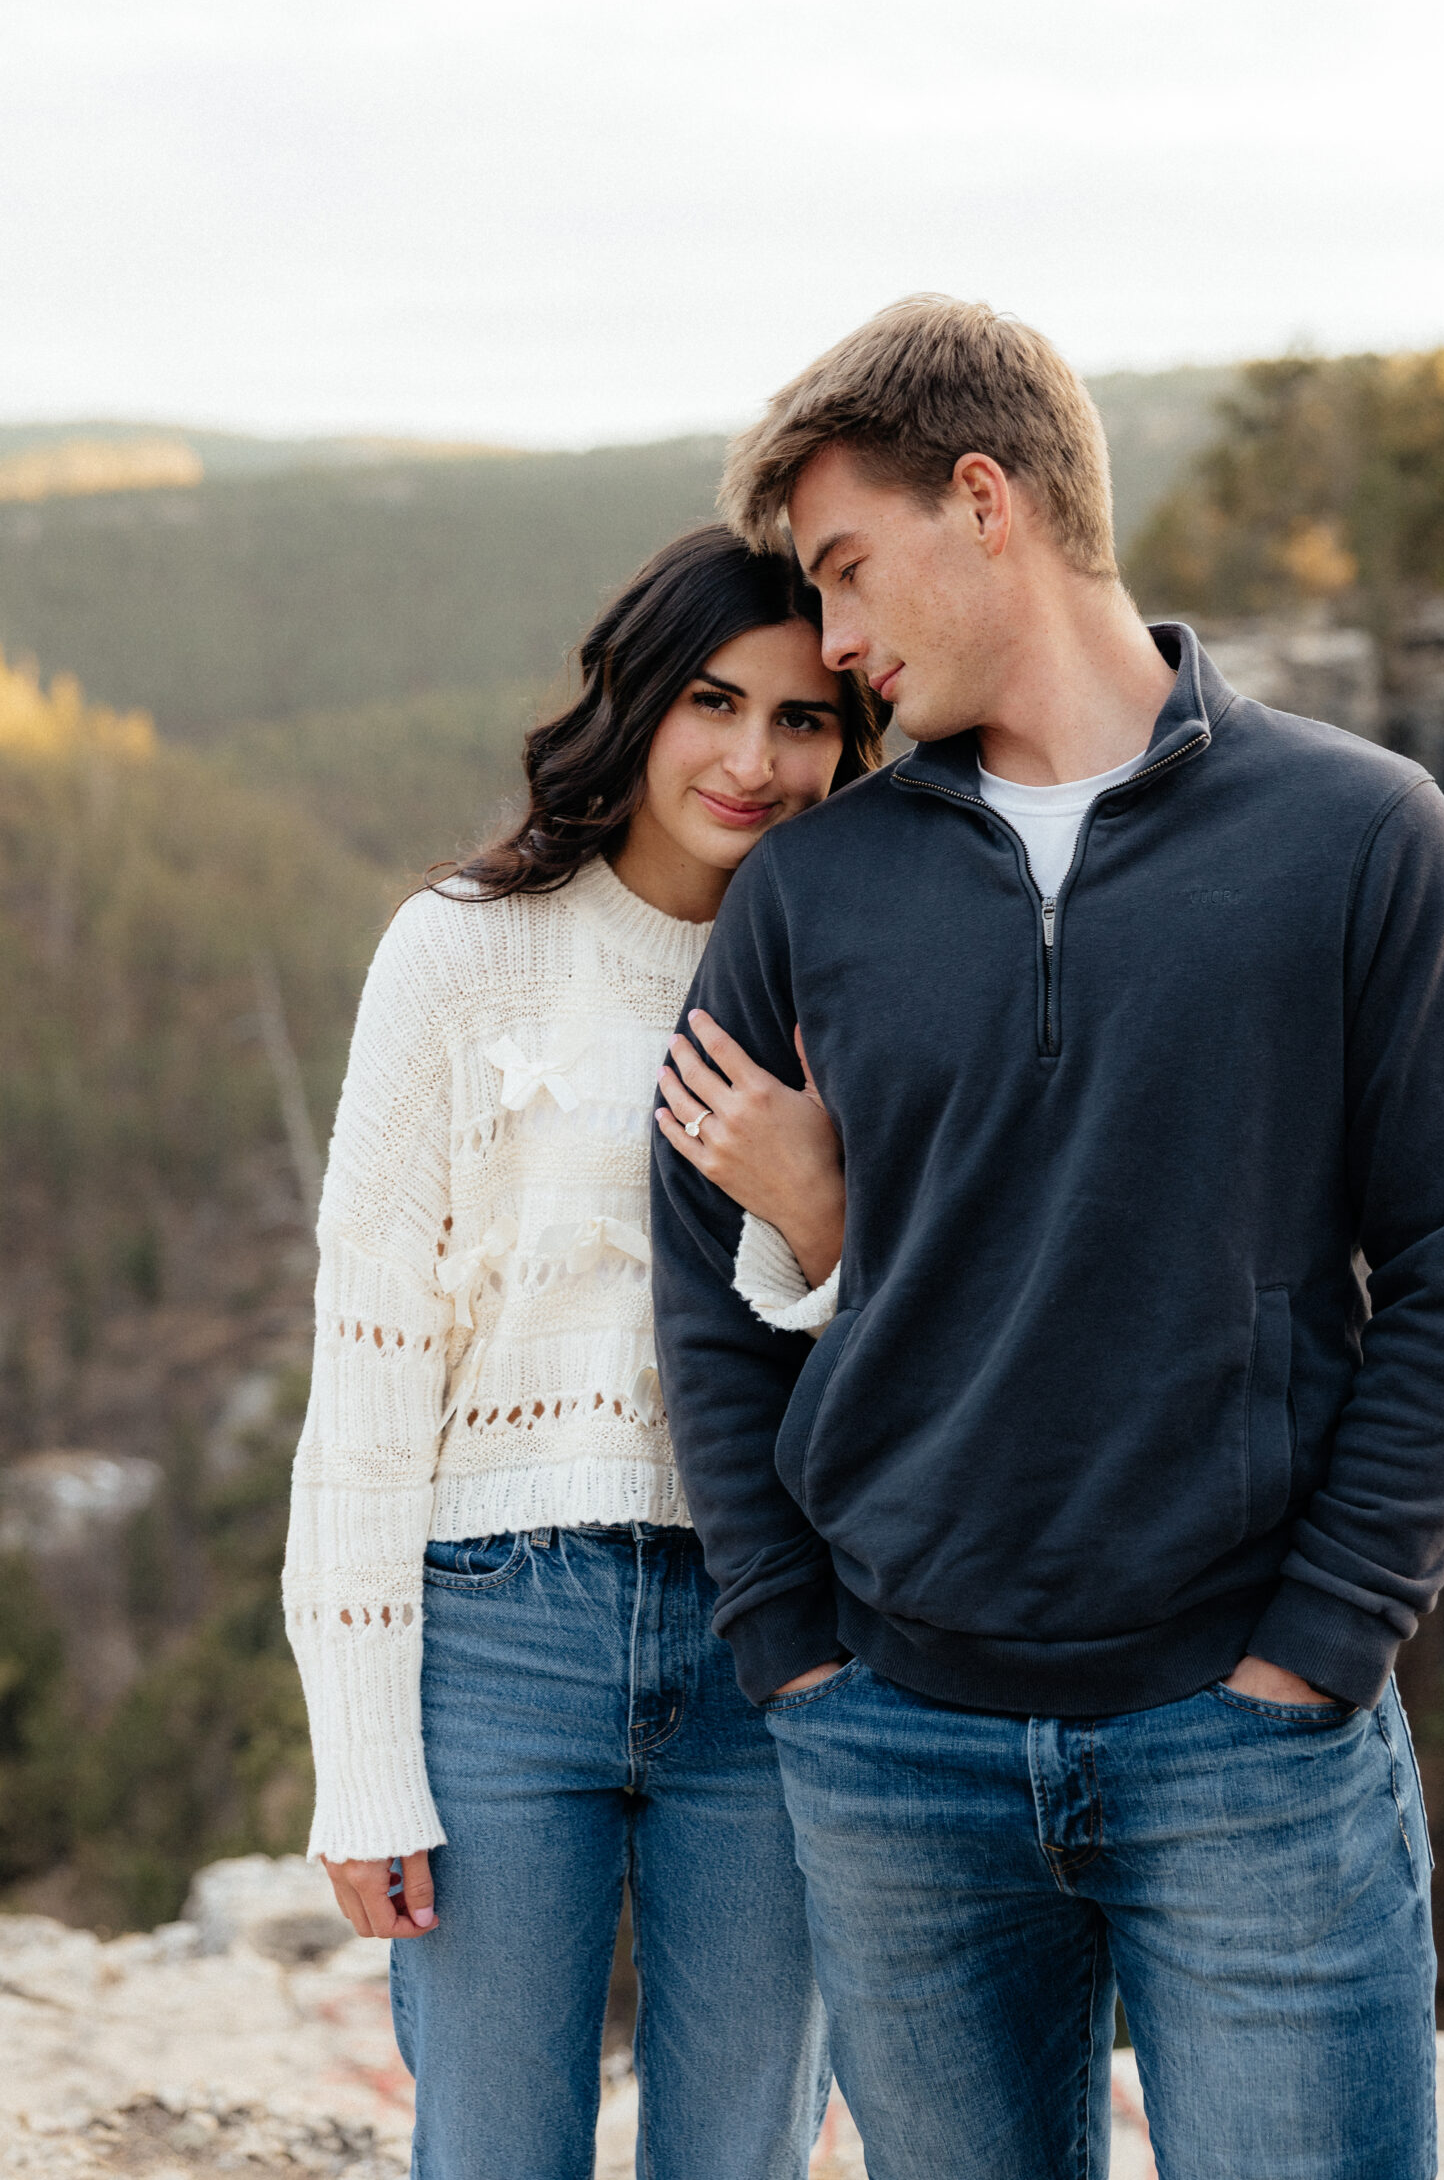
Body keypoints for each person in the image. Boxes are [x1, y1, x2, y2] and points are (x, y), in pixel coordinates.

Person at [650, 298, 1444, 2180]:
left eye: (845, 570)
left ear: (987, 500)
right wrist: (794, 1653)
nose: (833, 644)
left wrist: (1324, 1645)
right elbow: (703, 1282)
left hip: (1251, 1751)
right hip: (893, 1746)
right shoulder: (814, 893)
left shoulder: (1367, 838)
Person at [282, 526, 885, 2180]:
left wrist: (821, 1217)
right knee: (491, 2155)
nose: (754, 760)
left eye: (806, 720)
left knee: (741, 2151)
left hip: (777, 1640)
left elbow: (933, 1354)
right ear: (635, 699)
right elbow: (371, 1371)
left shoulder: (865, 982)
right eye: (714, 701)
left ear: (855, 743)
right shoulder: (459, 953)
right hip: (497, 1641)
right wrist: (363, 1763)